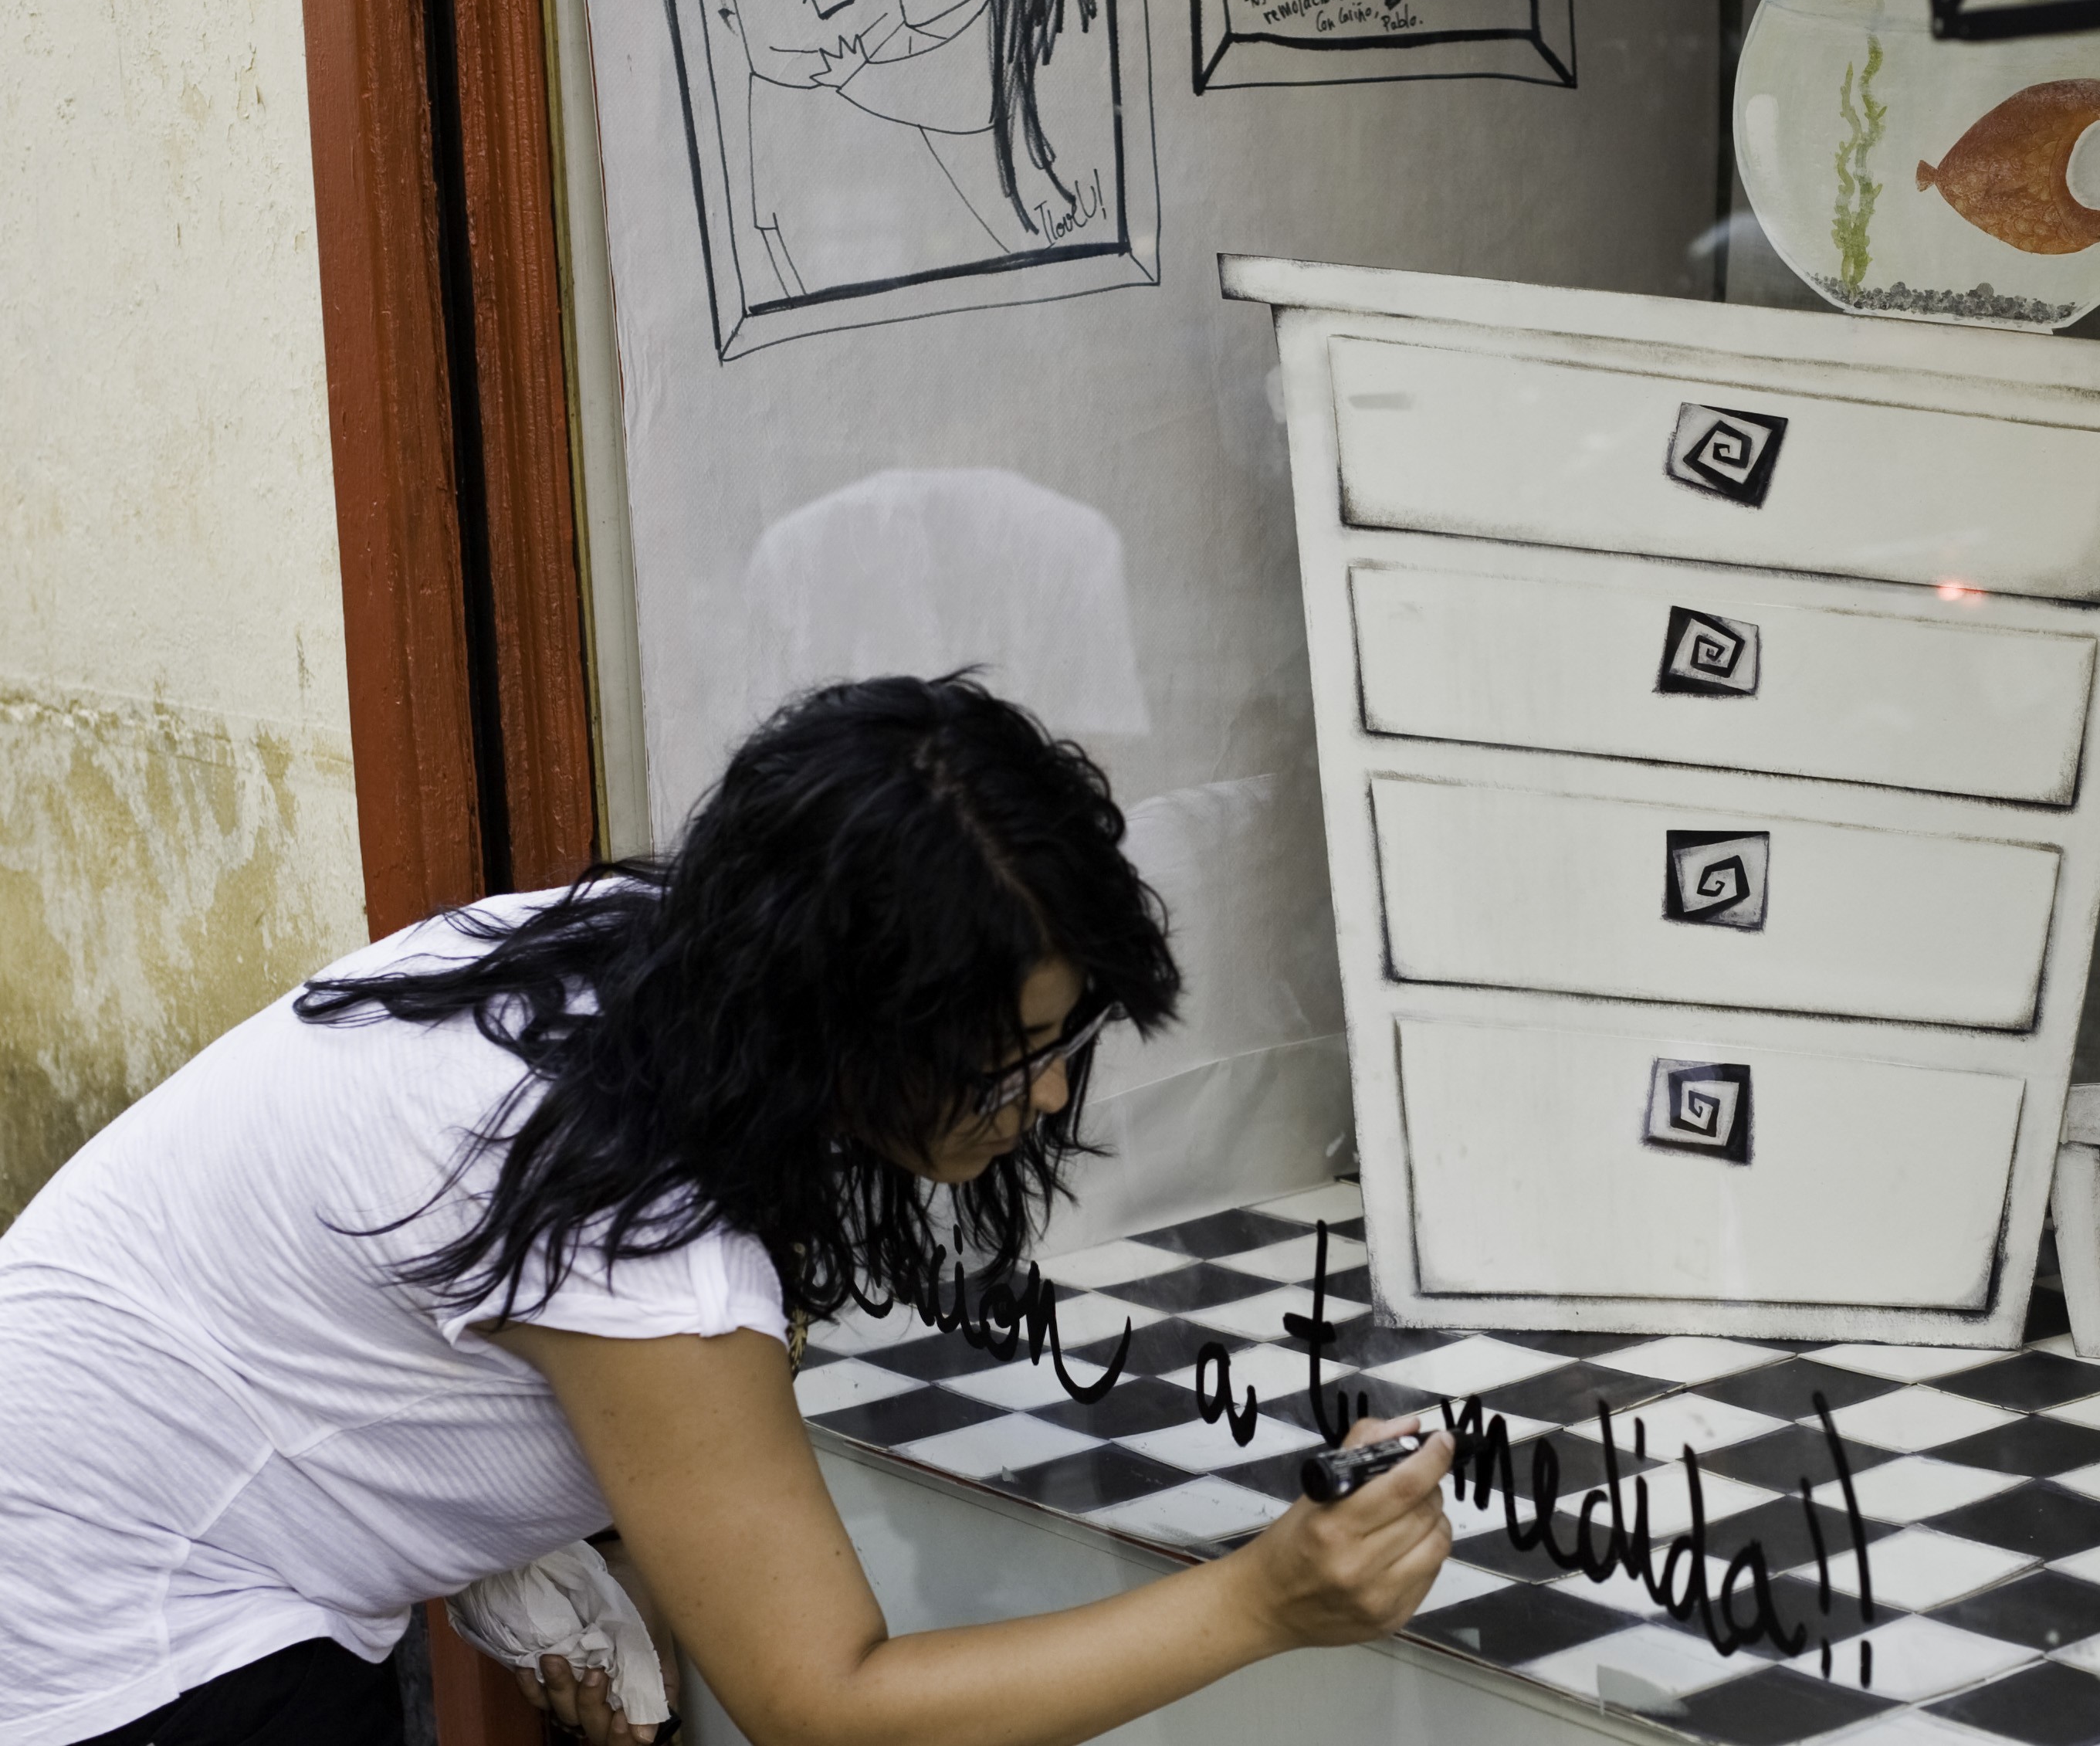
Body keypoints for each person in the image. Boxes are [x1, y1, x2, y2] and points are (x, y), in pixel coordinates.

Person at [0, 674, 1453, 1745]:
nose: (1054, 1095)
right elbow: (828, 1706)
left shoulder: (620, 963)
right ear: (846, 1019)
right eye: (1009, 1059)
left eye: (1068, 1040)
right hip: (116, 1637)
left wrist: (562, 1546)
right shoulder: (638, 1227)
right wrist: (1262, 1603)